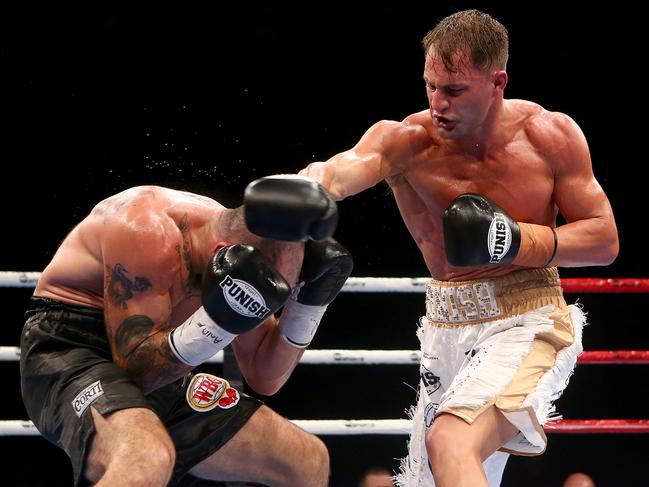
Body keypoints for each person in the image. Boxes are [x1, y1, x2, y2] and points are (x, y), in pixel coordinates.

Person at [298, 8, 618, 487]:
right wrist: (307, 186)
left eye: (453, 91)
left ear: (497, 82)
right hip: (444, 328)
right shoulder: (407, 141)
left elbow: (604, 239)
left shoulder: (548, 136)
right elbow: (344, 169)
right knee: (439, 473)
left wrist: (514, 241)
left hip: (528, 318)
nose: (436, 104)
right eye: (429, 86)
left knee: (451, 442)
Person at [20, 177, 353, 487]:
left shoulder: (245, 260)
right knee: (145, 457)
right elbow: (135, 371)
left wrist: (307, 306)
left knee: (306, 460)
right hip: (69, 351)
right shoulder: (147, 228)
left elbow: (266, 377)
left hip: (159, 364)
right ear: (227, 254)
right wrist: (219, 321)